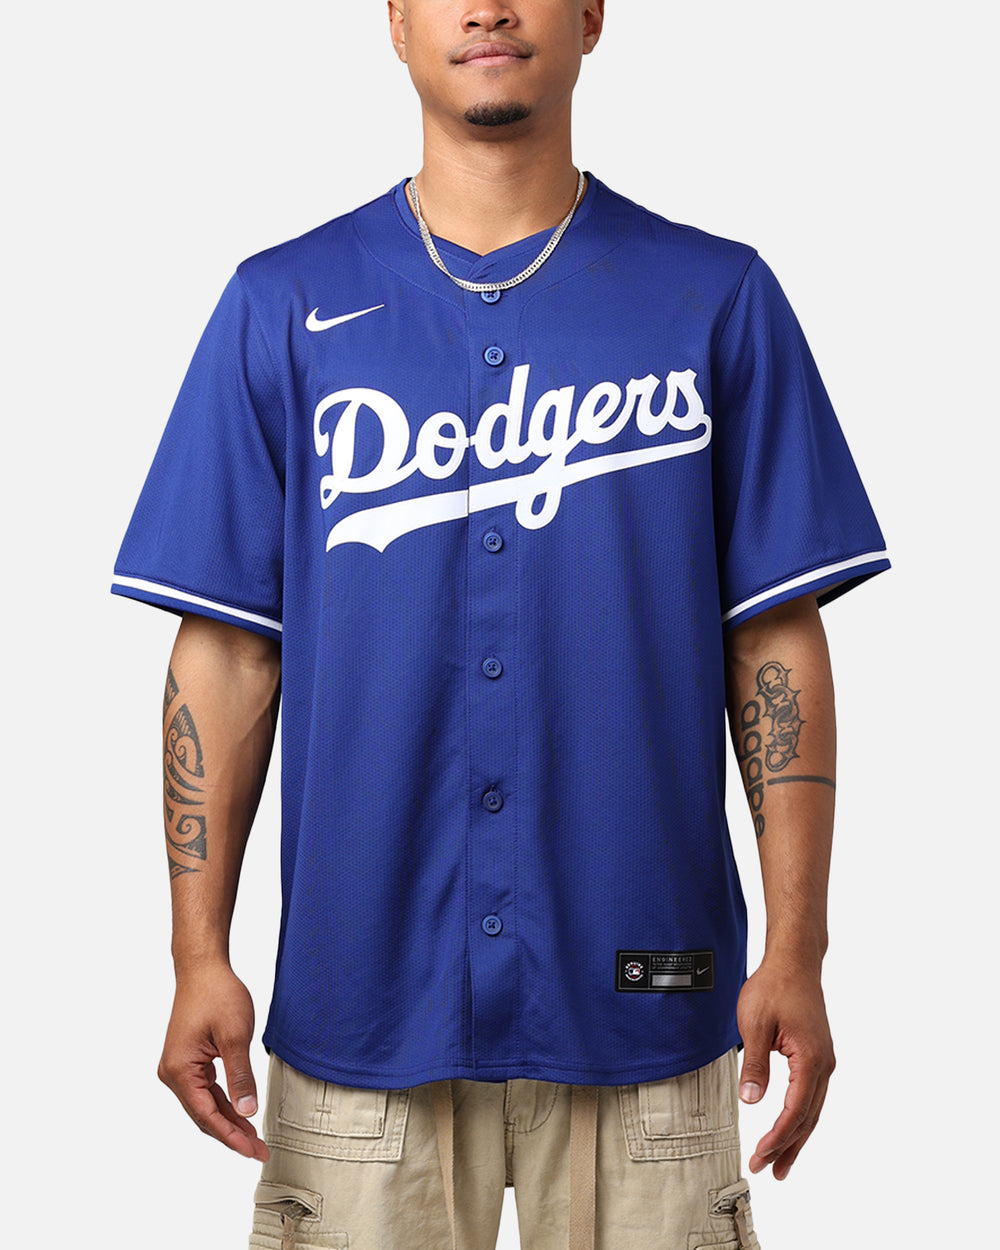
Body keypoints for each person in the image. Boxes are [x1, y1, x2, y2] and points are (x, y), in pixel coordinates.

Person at [111, 3, 889, 1248]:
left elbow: (772, 638)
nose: (486, 6)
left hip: (648, 1002)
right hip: (362, 1011)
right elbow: (228, 649)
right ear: (396, 21)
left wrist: (797, 945)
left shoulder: (714, 296)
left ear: (591, 16)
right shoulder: (280, 303)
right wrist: (195, 951)